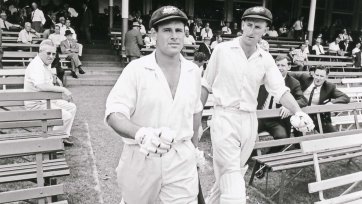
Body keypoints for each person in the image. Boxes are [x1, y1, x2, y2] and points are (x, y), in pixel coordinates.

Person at [201, 7, 314, 204]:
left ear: (265, 30)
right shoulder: (222, 50)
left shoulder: (266, 59)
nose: (252, 31)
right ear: (242, 25)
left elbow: (280, 90)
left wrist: (298, 112)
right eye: (249, 25)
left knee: (231, 172)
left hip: (249, 121)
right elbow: (205, 85)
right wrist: (194, 118)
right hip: (224, 117)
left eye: (258, 27)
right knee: (231, 175)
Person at [105, 6, 202, 204]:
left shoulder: (193, 71)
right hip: (141, 156)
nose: (174, 36)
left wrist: (193, 149)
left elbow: (195, 111)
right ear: (153, 34)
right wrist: (141, 134)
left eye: (179, 30)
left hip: (180, 158)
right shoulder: (137, 69)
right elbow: (114, 113)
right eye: (167, 30)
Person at [24, 39, 75, 146]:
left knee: (72, 107)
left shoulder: (45, 63)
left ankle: (63, 135)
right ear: (40, 52)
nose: (51, 56)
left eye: (53, 54)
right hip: (36, 104)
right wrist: (63, 89)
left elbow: (49, 80)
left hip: (46, 100)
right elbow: (41, 86)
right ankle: (52, 141)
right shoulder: (36, 65)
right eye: (48, 53)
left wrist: (56, 78)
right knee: (66, 116)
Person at [257, 55, 307, 154]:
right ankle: (252, 155)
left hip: (277, 120)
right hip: (259, 117)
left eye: (283, 65)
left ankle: (267, 158)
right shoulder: (264, 78)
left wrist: (288, 107)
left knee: (282, 137)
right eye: (277, 65)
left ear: (289, 67)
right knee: (246, 133)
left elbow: (303, 100)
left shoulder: (293, 82)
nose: (279, 68)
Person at [289, 66, 350, 133]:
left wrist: (332, 103)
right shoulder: (304, 78)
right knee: (300, 137)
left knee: (333, 134)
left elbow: (345, 97)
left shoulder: (329, 87)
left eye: (321, 76)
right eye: (317, 75)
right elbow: (287, 74)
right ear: (313, 74)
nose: (318, 78)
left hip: (317, 116)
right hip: (299, 113)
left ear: (326, 77)